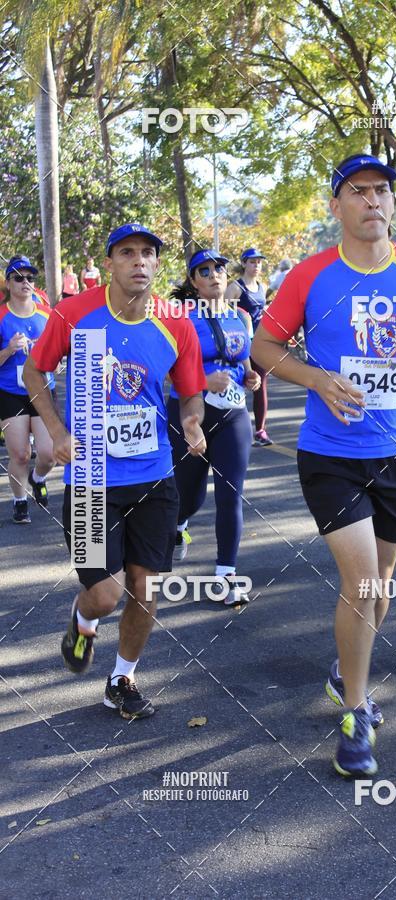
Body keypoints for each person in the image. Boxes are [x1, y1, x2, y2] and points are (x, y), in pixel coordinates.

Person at [252, 153, 396, 776]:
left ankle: (350, 666)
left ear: (394, 205)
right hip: (330, 455)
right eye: (358, 191)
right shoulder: (311, 277)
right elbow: (265, 347)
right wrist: (317, 378)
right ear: (337, 205)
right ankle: (354, 713)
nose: (372, 201)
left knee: (380, 588)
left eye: (382, 191)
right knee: (363, 581)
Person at [24, 224, 207, 720]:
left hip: (153, 476)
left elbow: (190, 391)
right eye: (127, 253)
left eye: (148, 253)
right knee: (107, 594)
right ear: (110, 263)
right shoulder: (74, 313)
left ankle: (121, 678)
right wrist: (57, 432)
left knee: (145, 589)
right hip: (89, 480)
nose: (139, 262)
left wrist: (192, 420)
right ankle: (83, 619)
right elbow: (33, 372)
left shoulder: (178, 323)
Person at [168, 249, 260, 604]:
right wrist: (203, 380)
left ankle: (227, 575)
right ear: (193, 281)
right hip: (191, 412)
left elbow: (243, 358)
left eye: (219, 268)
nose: (213, 275)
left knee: (230, 494)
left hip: (234, 414)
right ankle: (179, 524)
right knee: (188, 496)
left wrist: (251, 376)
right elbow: (170, 369)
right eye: (203, 271)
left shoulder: (240, 316)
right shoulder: (182, 318)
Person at [0, 255, 56, 523]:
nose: (25, 282)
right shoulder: (1, 316)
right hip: (10, 391)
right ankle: (19, 501)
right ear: (8, 283)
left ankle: (38, 478)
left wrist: (57, 362)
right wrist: (9, 349)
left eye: (30, 278)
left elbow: (61, 349)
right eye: (18, 278)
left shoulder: (46, 314)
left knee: (48, 453)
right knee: (20, 453)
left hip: (42, 389)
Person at [225, 248, 272, 446]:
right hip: (238, 344)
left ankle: (260, 431)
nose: (256, 266)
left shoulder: (263, 286)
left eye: (259, 262)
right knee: (236, 383)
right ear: (244, 263)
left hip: (260, 344)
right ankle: (228, 428)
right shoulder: (236, 287)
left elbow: (264, 311)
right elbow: (223, 313)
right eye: (252, 262)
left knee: (260, 385)